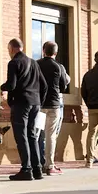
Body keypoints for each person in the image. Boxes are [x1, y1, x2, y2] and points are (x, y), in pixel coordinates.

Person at [1, 38, 47, 181]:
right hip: (35, 103)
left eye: (9, 50)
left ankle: (26, 170)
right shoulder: (33, 62)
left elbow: (12, 85)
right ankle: (37, 169)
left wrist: (2, 88)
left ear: (12, 49)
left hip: (21, 104)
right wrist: (39, 102)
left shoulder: (14, 62)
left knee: (21, 137)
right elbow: (44, 85)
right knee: (32, 135)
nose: (9, 53)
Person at [36, 41, 70, 175]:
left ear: (43, 50)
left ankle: (36, 163)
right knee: (51, 136)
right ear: (56, 53)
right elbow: (64, 85)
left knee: (37, 135)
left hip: (39, 104)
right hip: (54, 104)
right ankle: (49, 165)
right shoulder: (59, 66)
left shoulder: (36, 64)